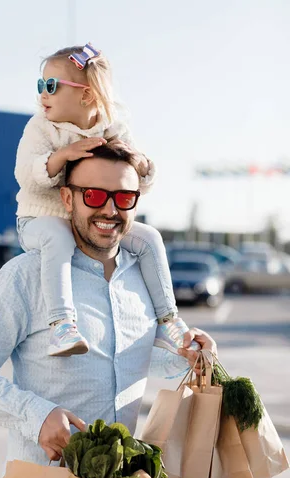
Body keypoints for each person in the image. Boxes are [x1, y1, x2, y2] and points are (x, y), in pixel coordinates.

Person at [0, 143, 217, 464]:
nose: (110, 210)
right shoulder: (27, 274)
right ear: (67, 198)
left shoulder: (142, 277)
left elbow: (120, 360)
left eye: (124, 197)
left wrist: (186, 359)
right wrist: (36, 415)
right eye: (94, 195)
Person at [14, 42, 199, 358]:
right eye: (40, 85)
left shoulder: (114, 128)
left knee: (149, 237)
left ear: (86, 95)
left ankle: (169, 319)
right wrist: (61, 156)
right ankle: (61, 324)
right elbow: (25, 174)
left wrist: (142, 165)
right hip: (38, 219)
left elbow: (137, 180)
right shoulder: (41, 127)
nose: (42, 94)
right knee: (57, 238)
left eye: (51, 86)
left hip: (84, 223)